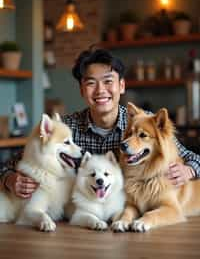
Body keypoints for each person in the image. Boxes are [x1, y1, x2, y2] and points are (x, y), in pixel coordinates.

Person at [0, 48, 200, 198]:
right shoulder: (67, 129)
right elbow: (11, 163)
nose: (100, 90)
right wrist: (10, 180)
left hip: (132, 218)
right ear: (81, 90)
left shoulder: (144, 123)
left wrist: (189, 170)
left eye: (107, 81)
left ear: (121, 85)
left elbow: (193, 158)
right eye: (90, 83)